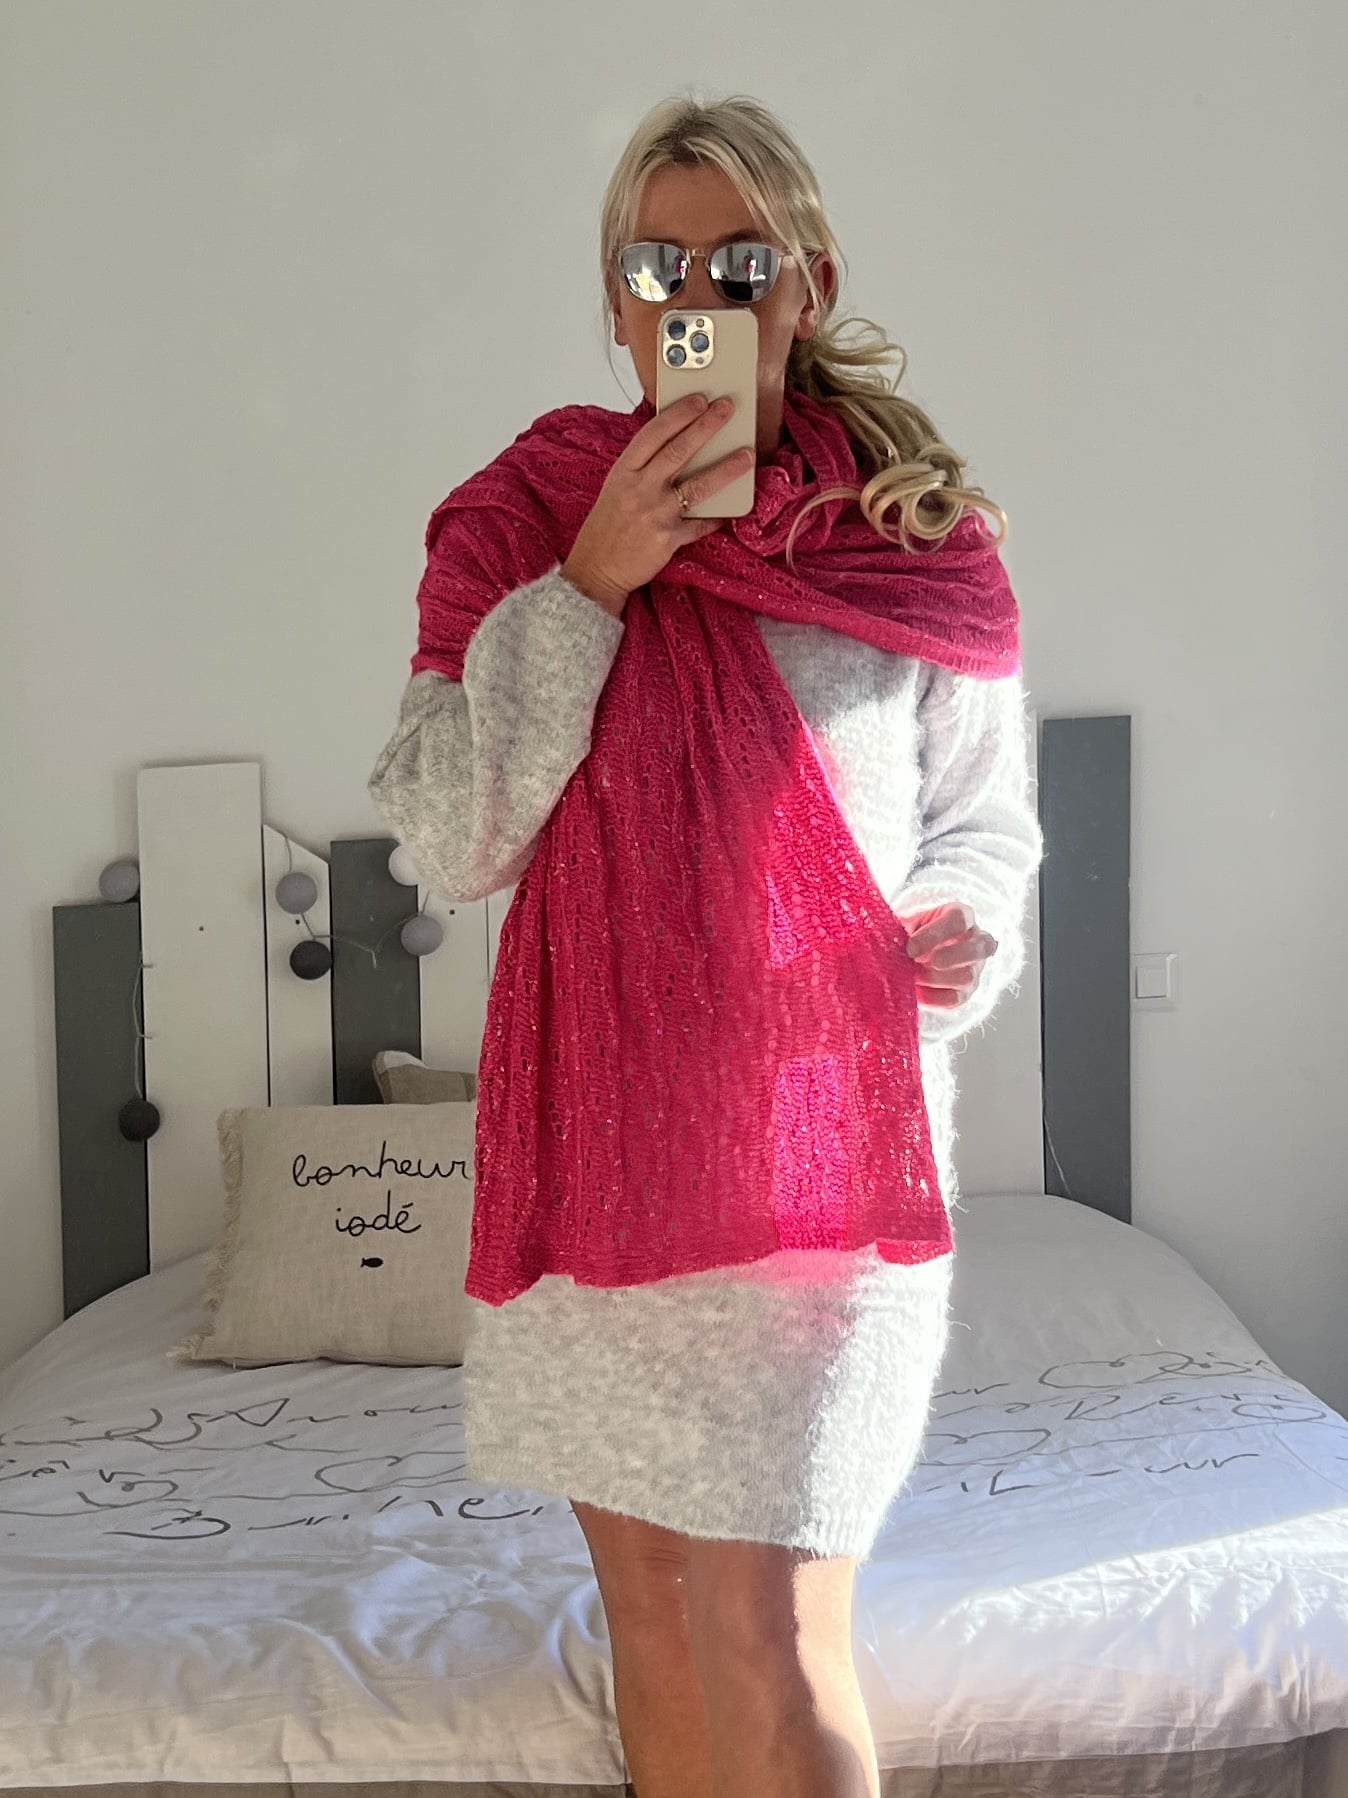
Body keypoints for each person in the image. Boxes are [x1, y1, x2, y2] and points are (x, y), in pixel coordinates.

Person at [369, 91, 1043, 1798]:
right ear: (614, 303)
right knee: (657, 1625)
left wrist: (963, 921)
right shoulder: (525, 522)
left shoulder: (916, 541)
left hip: (820, 1161)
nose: (696, 292)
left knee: (767, 1632)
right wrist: (592, 583)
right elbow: (453, 836)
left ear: (809, 286)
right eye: (655, 263)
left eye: (739, 261)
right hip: (607, 1158)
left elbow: (984, 819)